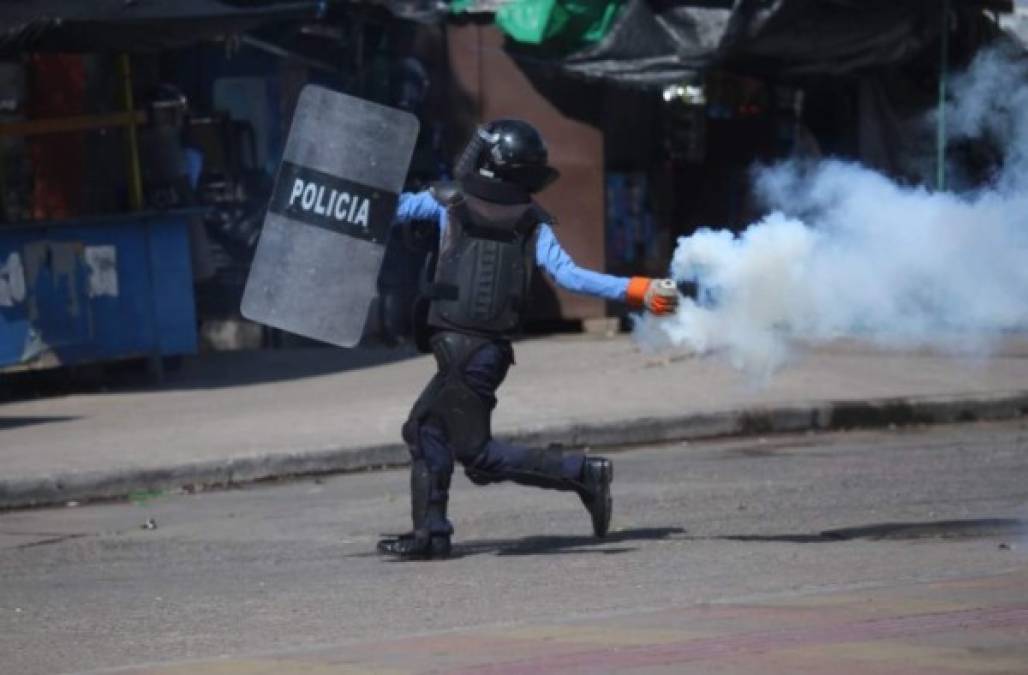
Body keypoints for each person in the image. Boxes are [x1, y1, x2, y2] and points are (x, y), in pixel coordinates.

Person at [378, 119, 678, 559]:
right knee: (428, 430)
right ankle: (433, 533)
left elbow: (391, 211)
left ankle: (581, 474)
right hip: (484, 353)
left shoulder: (446, 203)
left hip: (465, 351)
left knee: (468, 451)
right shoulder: (531, 222)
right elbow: (572, 277)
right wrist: (638, 291)